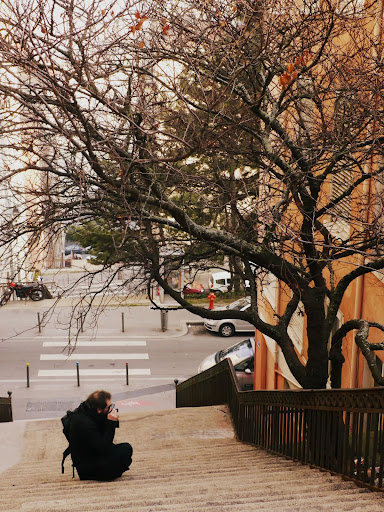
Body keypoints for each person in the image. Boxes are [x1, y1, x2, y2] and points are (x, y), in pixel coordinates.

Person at [69, 390, 132, 481]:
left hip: (91, 457)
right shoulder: (85, 423)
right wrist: (111, 423)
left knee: (125, 448)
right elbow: (104, 448)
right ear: (99, 409)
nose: (111, 409)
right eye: (109, 407)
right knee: (125, 451)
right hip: (87, 468)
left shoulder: (86, 411)